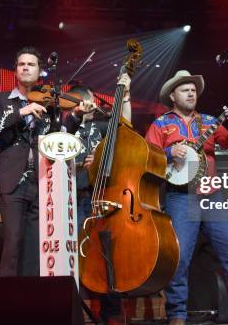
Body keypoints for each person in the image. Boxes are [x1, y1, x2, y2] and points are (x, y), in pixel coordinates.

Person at [145, 70, 228, 325]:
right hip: (180, 197)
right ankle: (177, 314)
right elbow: (146, 157)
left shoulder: (209, 121)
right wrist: (168, 152)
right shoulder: (160, 124)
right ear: (172, 96)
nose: (191, 92)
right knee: (179, 259)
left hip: (213, 194)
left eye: (193, 89)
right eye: (184, 89)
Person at [0, 46, 93, 276]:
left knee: (35, 247)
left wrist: (75, 117)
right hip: (13, 181)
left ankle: (30, 303)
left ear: (40, 71)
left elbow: (59, 138)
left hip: (42, 180)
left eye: (31, 64)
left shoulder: (50, 101)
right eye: (21, 64)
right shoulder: (3, 100)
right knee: (12, 244)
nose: (25, 68)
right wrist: (21, 113)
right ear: (16, 70)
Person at [69, 80, 131, 325]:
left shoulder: (103, 126)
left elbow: (124, 128)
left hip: (102, 197)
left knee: (107, 255)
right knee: (76, 256)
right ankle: (74, 309)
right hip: (75, 198)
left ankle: (111, 311)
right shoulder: (66, 129)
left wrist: (125, 99)